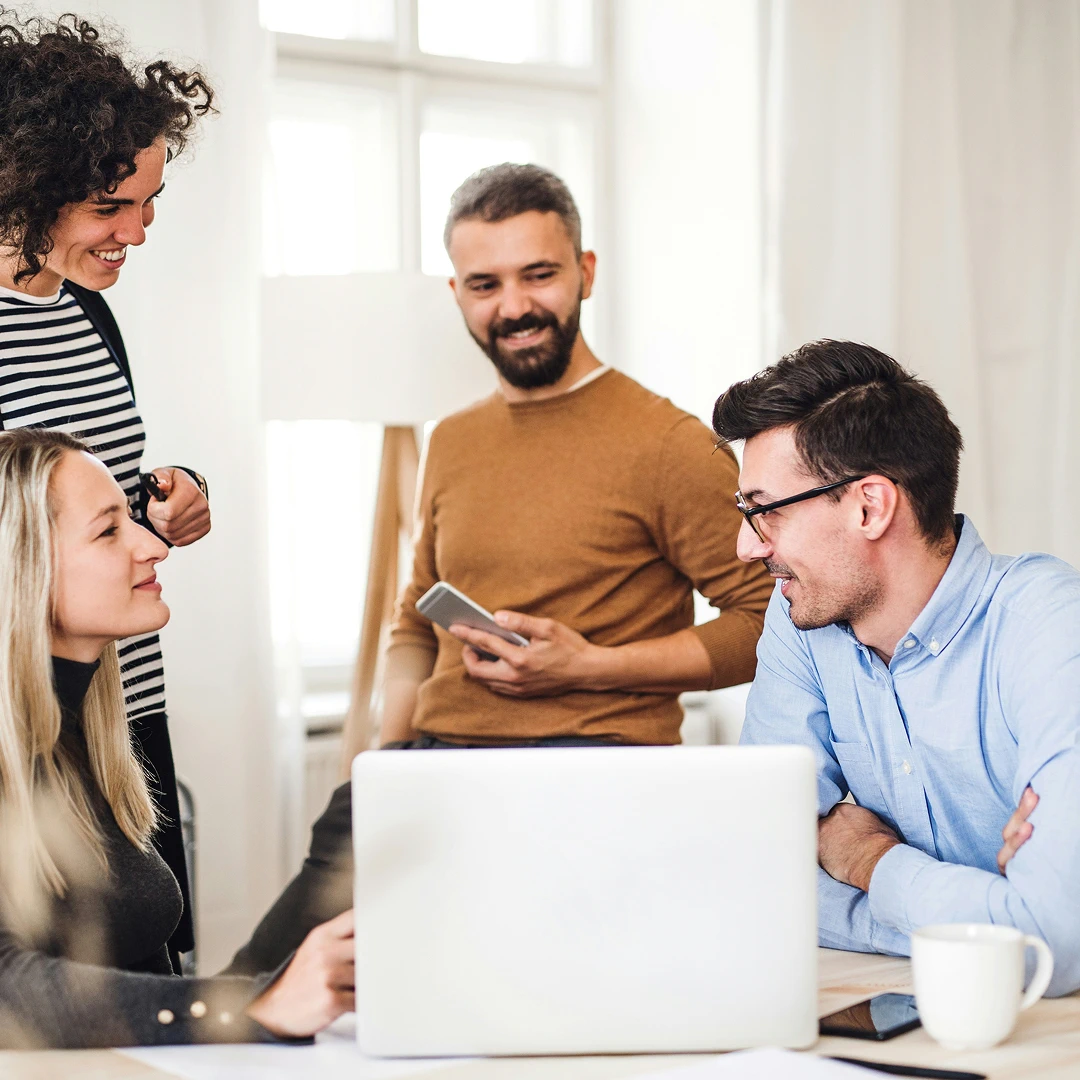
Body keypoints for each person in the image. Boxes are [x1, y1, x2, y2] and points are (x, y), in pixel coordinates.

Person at [223, 163, 773, 976]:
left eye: (538, 275)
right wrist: (386, 758)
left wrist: (591, 665)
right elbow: (415, 618)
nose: (513, 306)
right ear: (458, 293)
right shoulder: (454, 438)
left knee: (500, 1011)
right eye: (486, 283)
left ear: (584, 273)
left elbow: (770, 625)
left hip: (588, 783)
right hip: (425, 773)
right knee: (250, 994)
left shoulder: (669, 443)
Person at [713, 340, 1080, 997]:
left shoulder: (1049, 626)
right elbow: (757, 882)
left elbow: (1053, 944)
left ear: (870, 506)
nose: (746, 546)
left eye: (765, 510)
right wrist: (983, 914)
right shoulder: (803, 618)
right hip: (912, 1006)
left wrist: (868, 860)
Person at [0, 427, 355, 1048]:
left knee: (354, 825)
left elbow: (163, 990)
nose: (151, 546)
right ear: (22, 567)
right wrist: (253, 1005)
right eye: (109, 530)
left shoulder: (83, 740)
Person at [0, 10, 214, 965]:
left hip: (121, 710)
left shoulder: (85, 311)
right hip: (21, 739)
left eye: (149, 200)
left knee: (156, 966)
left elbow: (79, 485)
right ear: (22, 188)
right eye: (107, 207)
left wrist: (169, 497)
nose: (138, 231)